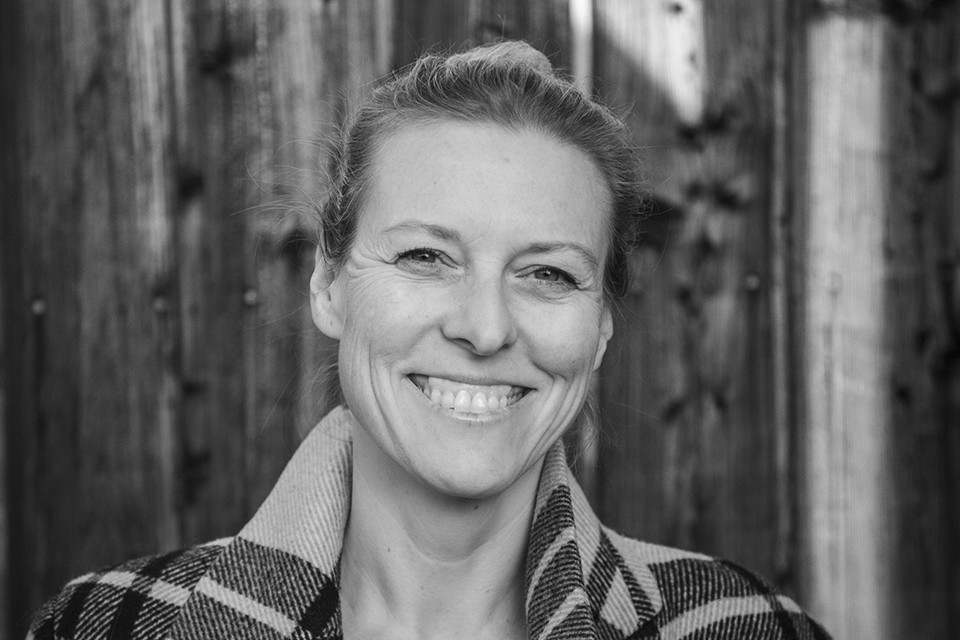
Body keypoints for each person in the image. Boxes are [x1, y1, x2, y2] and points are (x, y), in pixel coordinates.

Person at [29, 41, 830, 640]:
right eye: (425, 257)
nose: (484, 329)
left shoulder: (750, 627)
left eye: (548, 273)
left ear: (602, 328)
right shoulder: (101, 625)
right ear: (328, 284)